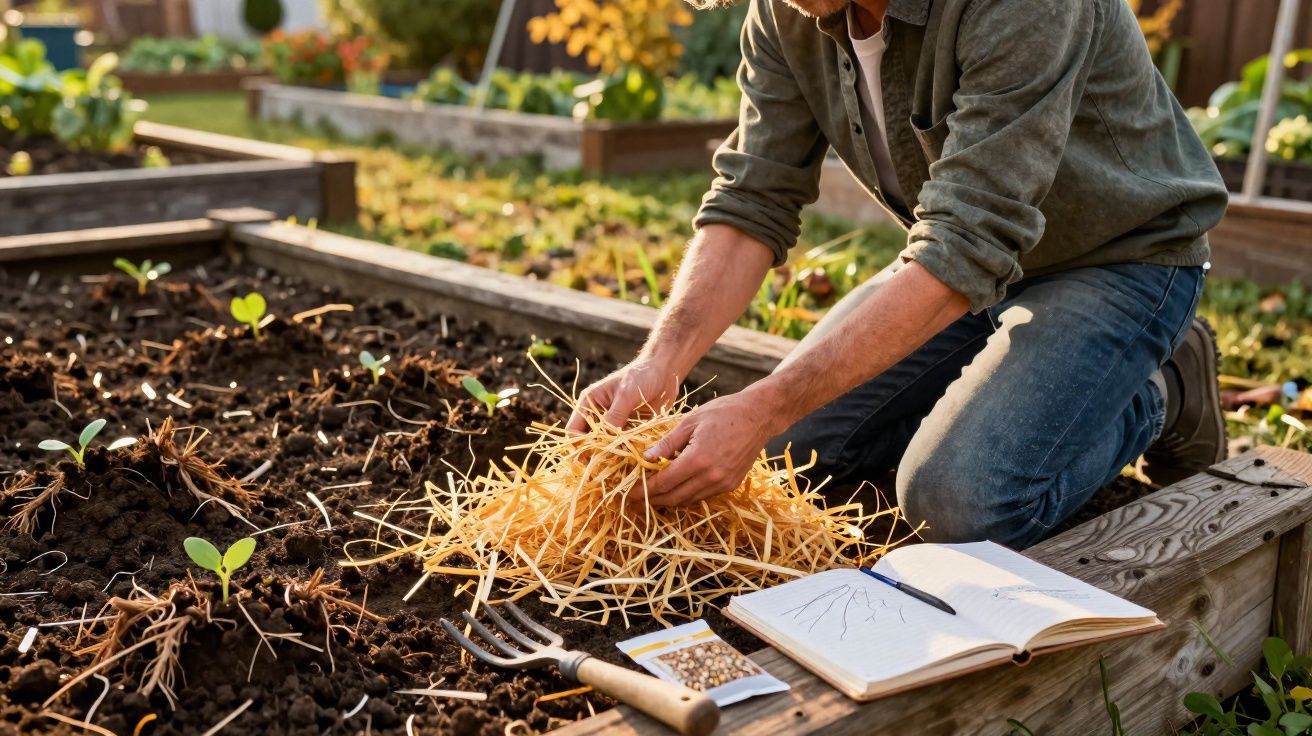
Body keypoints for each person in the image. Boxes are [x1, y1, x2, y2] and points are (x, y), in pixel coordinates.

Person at [565, 0, 1231, 548]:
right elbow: (752, 199)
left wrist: (764, 404)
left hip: (1119, 260)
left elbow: (967, 237)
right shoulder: (787, 15)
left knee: (959, 503)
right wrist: (662, 361)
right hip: (964, 265)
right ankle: (1012, 389)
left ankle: (1164, 386)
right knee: (791, 453)